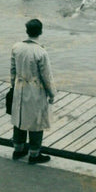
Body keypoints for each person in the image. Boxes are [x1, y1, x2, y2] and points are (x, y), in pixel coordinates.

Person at [10, 19, 56, 165]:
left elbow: (12, 71)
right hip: (35, 89)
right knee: (36, 121)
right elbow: (46, 76)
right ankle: (34, 154)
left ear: (26, 31)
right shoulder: (41, 52)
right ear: (40, 32)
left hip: (19, 87)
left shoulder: (16, 47)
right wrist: (51, 93)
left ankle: (18, 149)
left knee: (19, 119)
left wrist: (13, 86)